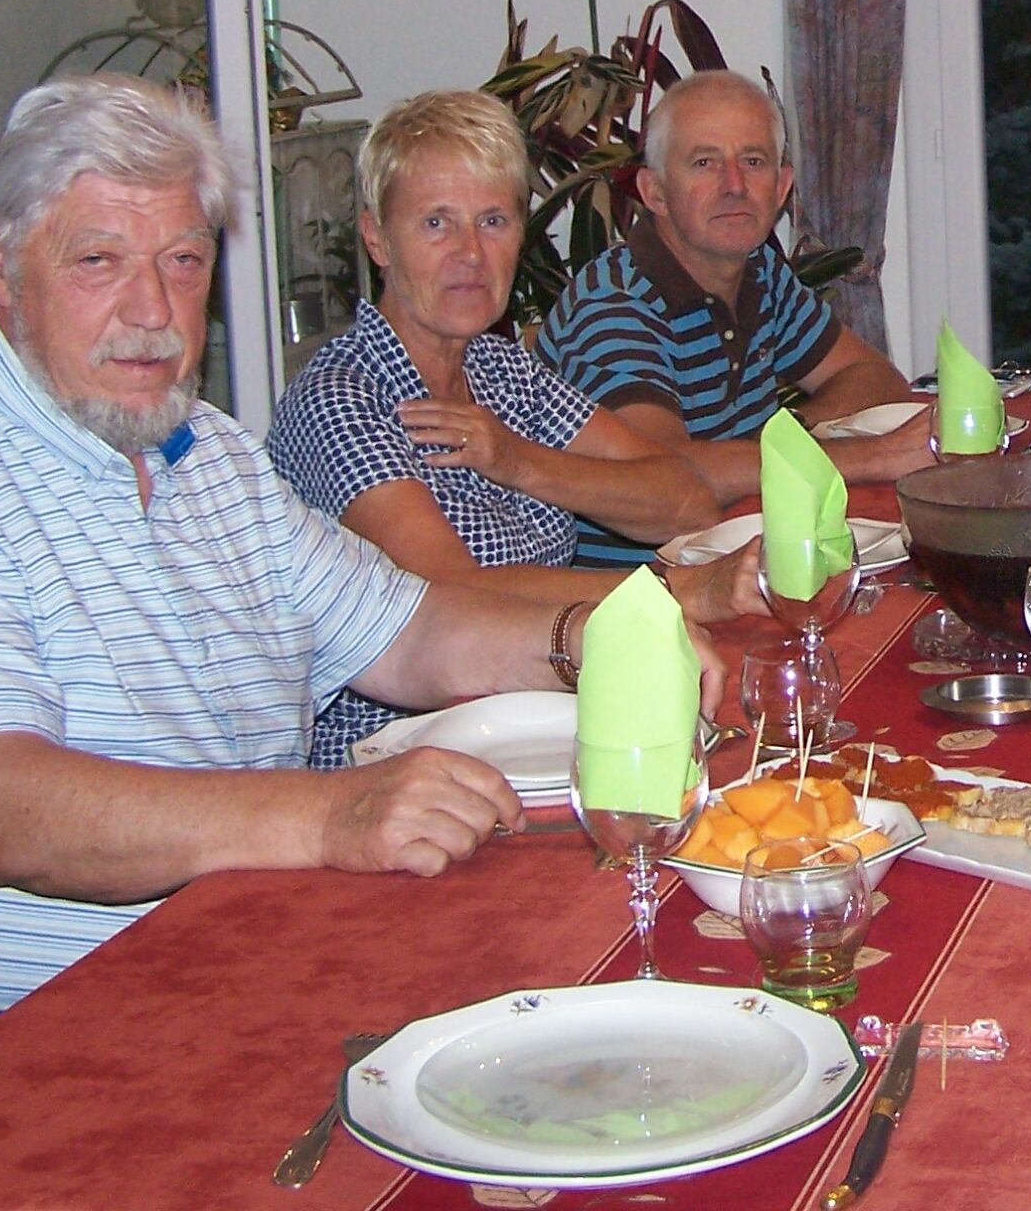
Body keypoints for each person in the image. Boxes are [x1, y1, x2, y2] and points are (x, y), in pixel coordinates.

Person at [0, 77, 723, 1138]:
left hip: (227, 965)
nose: (150, 311)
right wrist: (334, 817)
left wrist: (598, 638)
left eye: (181, 262)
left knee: (609, 1055)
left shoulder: (198, 452)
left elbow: (410, 632)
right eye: (98, 261)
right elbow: (8, 817)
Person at [270, 91, 765, 767]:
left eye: (494, 220)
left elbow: (685, 498)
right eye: (436, 223)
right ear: (378, 238)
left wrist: (517, 460)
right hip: (394, 767)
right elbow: (447, 595)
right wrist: (683, 592)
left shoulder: (504, 371)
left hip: (540, 727)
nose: (470, 254)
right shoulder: (340, 400)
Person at [539, 69, 932, 564]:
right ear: (654, 192)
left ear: (781, 186)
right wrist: (874, 456)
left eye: (753, 161)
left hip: (748, 561)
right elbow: (668, 472)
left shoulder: (761, 271)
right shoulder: (614, 306)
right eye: (704, 162)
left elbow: (874, 377)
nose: (733, 185)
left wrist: (774, 443)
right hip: (641, 602)